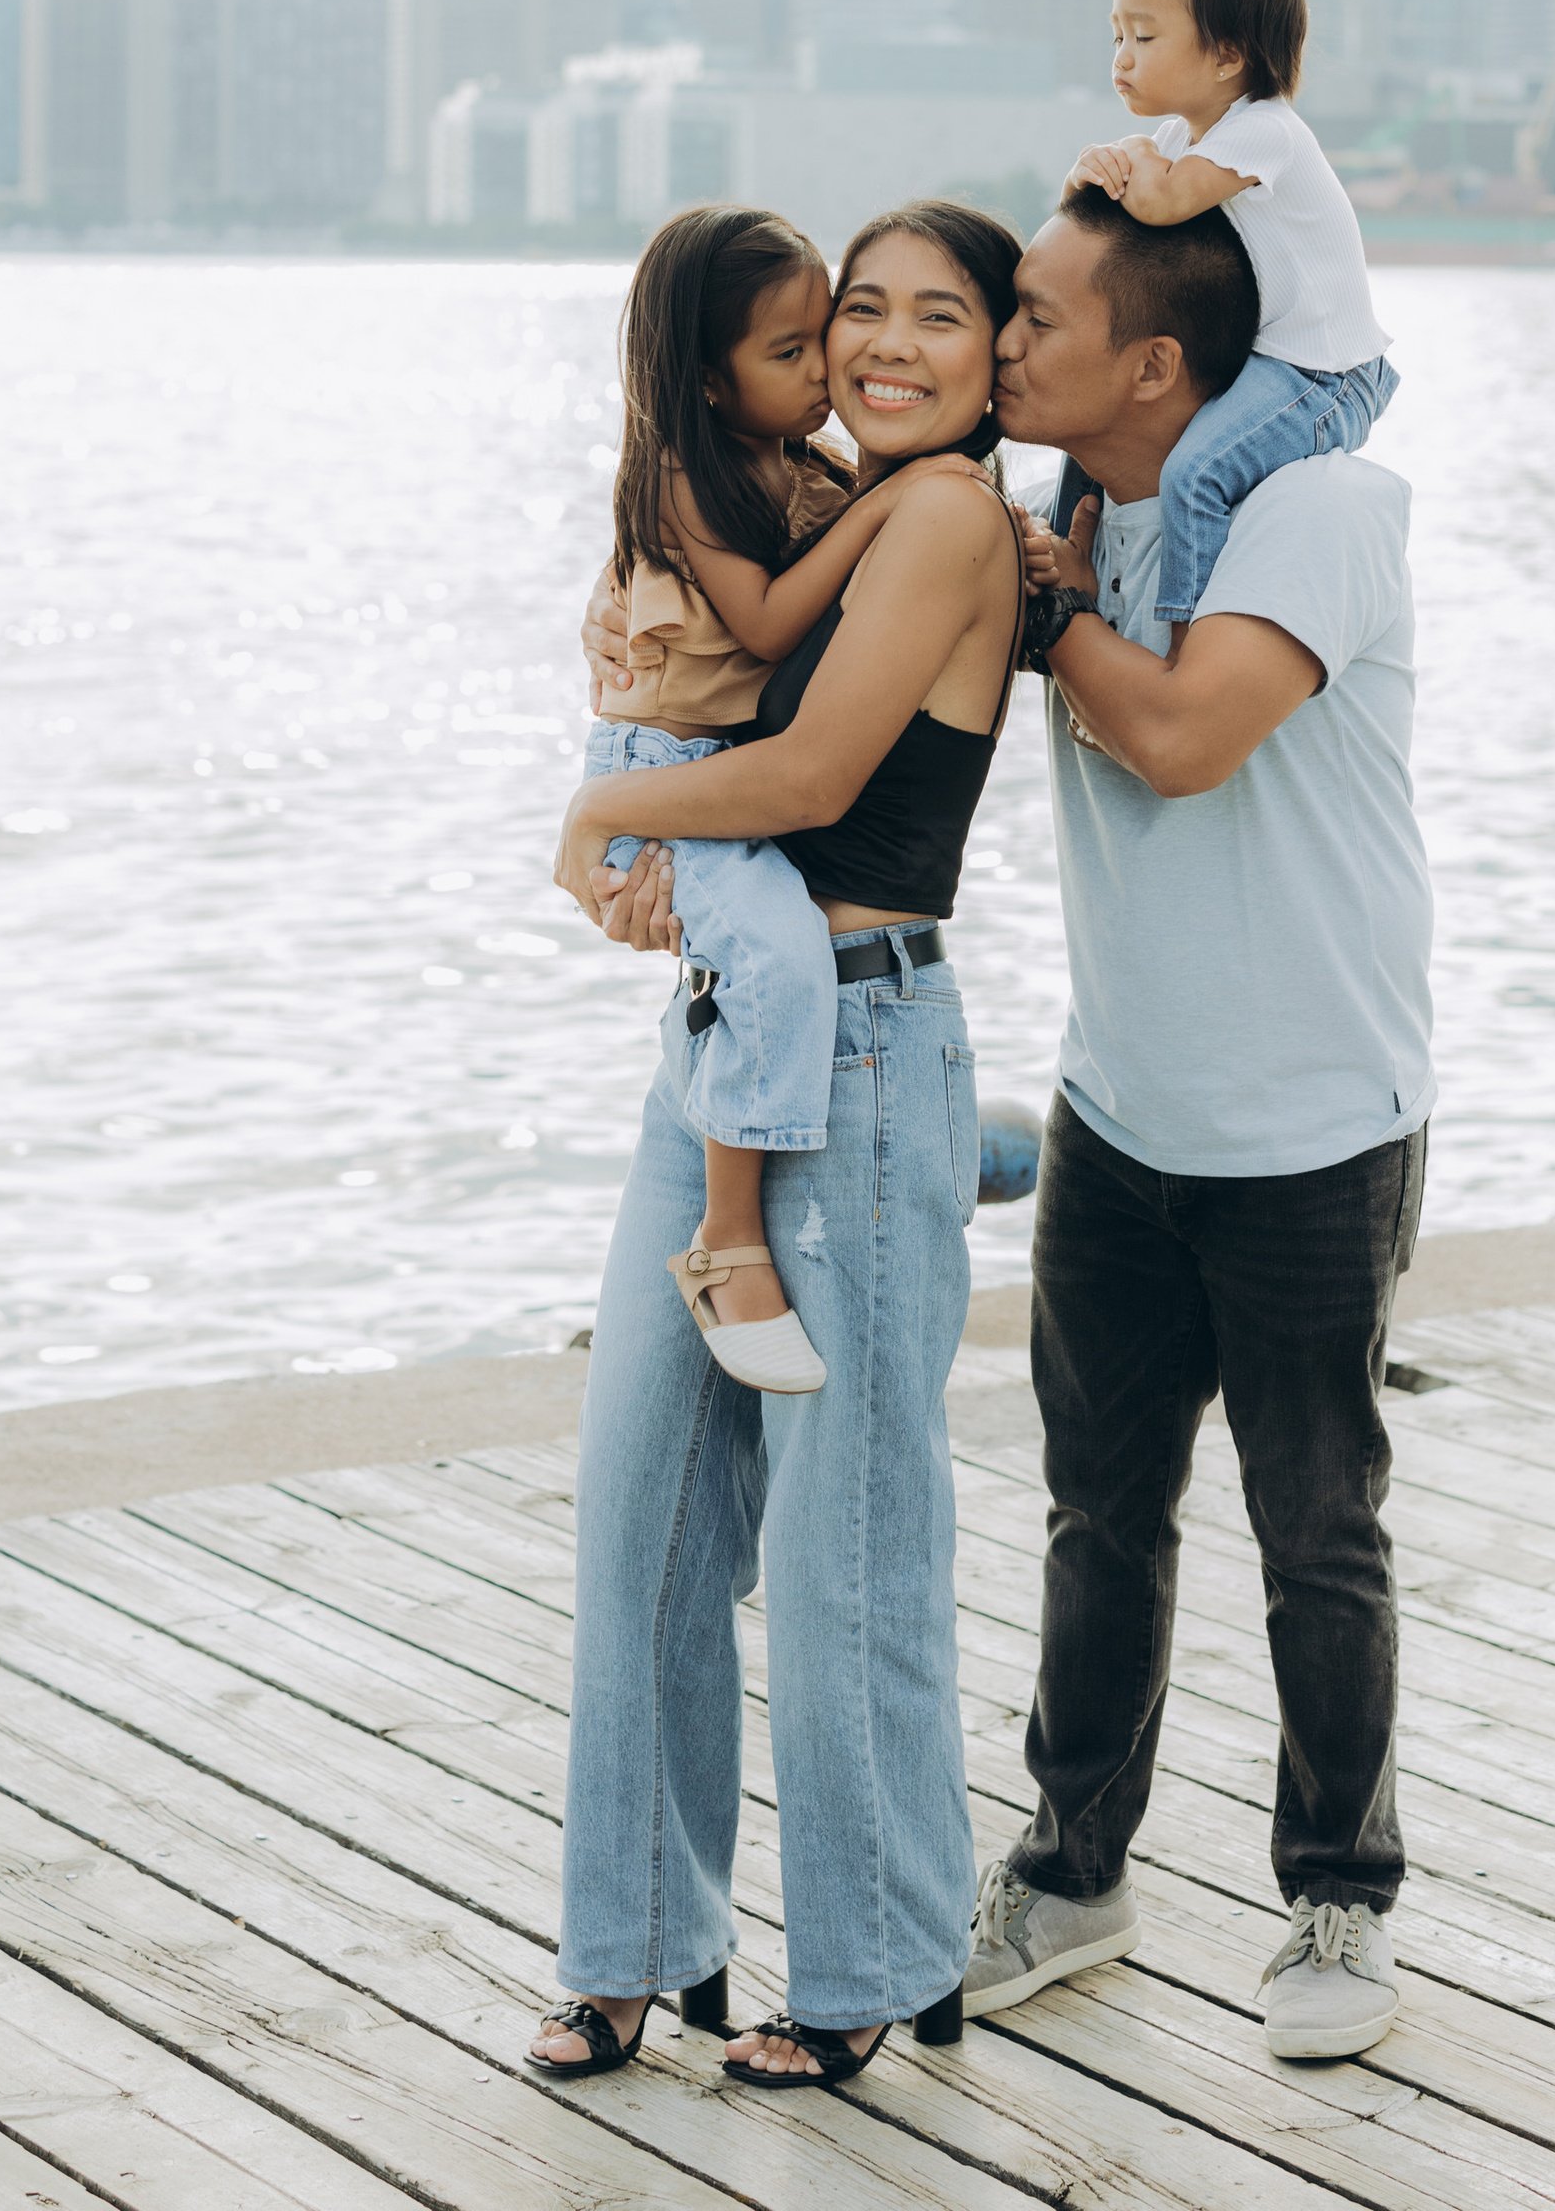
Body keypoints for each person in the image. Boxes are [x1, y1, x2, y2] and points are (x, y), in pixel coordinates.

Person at [529, 201, 1026, 2100]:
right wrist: (640, 840)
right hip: (732, 1040)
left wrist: (603, 805)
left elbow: (813, 784)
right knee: (641, 1505)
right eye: (856, 315)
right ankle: (635, 1947)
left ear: (1000, 354)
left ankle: (879, 1959)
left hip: (873, 1035)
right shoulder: (830, 499)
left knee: (847, 1543)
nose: (879, 348)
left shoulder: (948, 514)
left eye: (929, 319)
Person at [967, 183, 1435, 2061]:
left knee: (1316, 1527)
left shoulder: (1321, 511)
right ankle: (1077, 1872)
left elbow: (1178, 735)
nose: (1003, 345)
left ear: (1153, 364)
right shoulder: (1060, 515)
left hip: (1314, 1119)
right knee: (1102, 1513)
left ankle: (1338, 1904)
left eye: (1035, 320)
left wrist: (1053, 607)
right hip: (1120, 1110)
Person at [593, 202, 985, 1395]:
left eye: (822, 334)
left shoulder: (817, 475)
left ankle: (778, 1211)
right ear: (711, 383)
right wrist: (880, 505)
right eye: (799, 348)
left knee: (769, 958)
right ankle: (734, 1228)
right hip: (664, 769)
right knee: (768, 956)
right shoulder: (685, 477)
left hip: (740, 818)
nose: (830, 367)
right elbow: (767, 623)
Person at [1064, 0, 1397, 637]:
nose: (1121, 59)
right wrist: (1089, 174)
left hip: (1323, 374)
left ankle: (1186, 638)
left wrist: (1120, 153)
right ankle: (1067, 584)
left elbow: (1156, 203)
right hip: (1268, 360)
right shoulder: (1183, 138)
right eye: (1116, 36)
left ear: (1227, 55)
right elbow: (1113, 233)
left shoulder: (1263, 129)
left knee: (1195, 476)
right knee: (1090, 433)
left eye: (1144, 38)